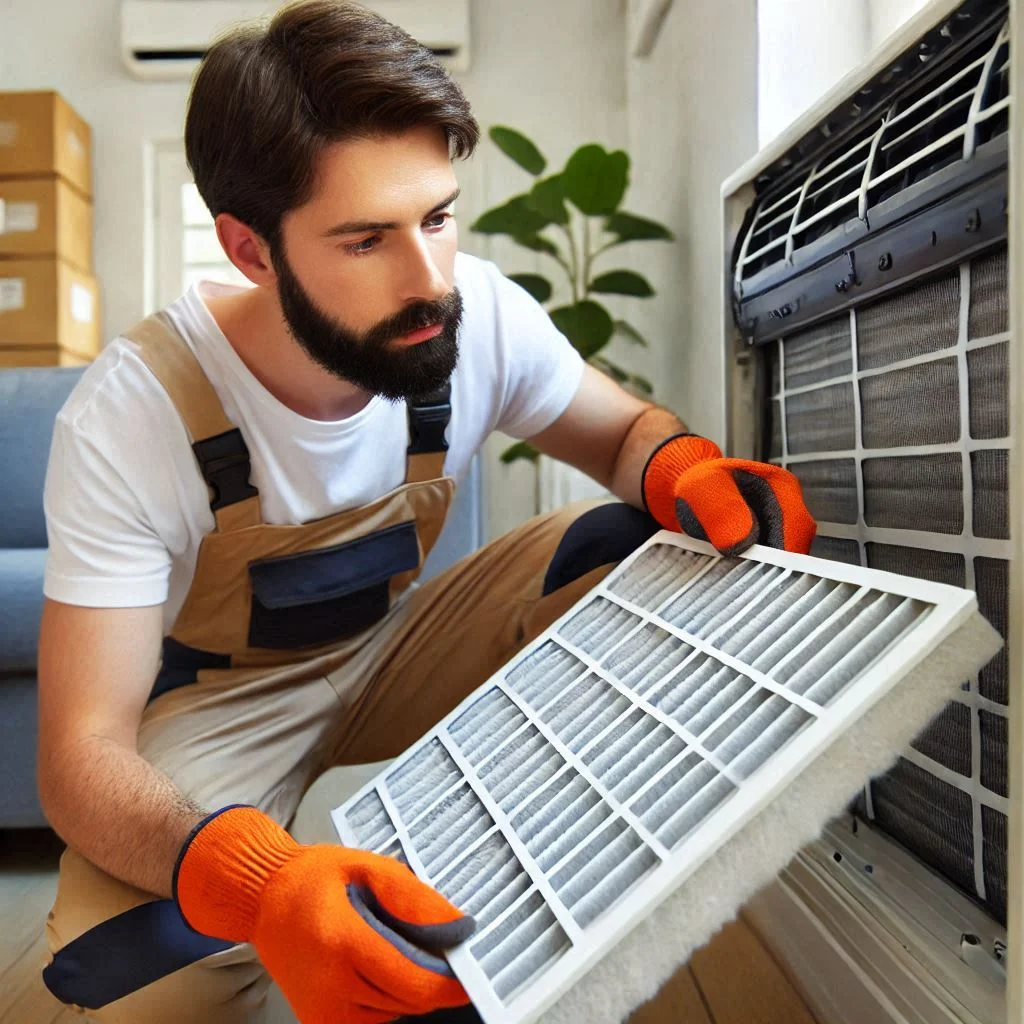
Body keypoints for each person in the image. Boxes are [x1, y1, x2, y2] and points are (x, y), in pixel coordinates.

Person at [35, 2, 816, 1022]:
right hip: (224, 704)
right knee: (113, 1003)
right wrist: (263, 883)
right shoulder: (132, 412)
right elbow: (78, 751)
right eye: (365, 240)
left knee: (632, 542)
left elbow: (624, 439)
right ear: (250, 250)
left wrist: (681, 467)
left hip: (404, 645)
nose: (429, 280)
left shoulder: (475, 309)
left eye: (438, 217)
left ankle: (530, 883)